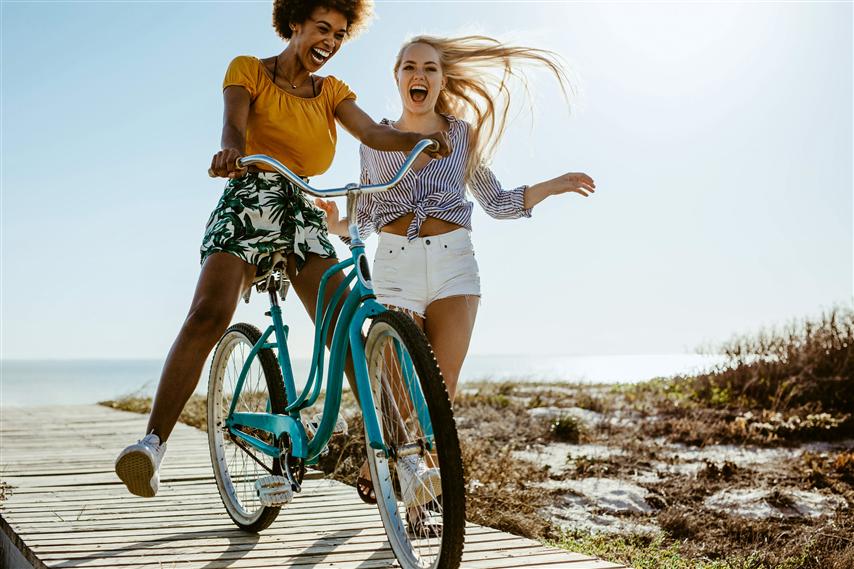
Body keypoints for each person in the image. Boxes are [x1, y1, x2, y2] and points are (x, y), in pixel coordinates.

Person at [114, 0, 451, 499]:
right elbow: (233, 124)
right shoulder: (249, 70)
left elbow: (373, 132)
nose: (330, 42)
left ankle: (404, 461)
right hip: (250, 196)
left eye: (339, 34)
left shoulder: (331, 92)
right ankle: (151, 445)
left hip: (300, 206)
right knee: (209, 314)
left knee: (345, 325)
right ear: (294, 23)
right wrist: (230, 150)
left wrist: (410, 140)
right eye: (322, 29)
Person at [316, 35, 596, 508]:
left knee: (438, 400)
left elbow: (498, 202)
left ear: (442, 79)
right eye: (408, 67)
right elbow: (366, 214)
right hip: (395, 265)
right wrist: (337, 224)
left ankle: (413, 491)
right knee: (401, 390)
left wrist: (555, 185)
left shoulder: (462, 135)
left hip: (454, 265)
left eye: (428, 67)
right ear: (397, 77)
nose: (418, 74)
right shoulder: (376, 140)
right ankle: (400, 475)